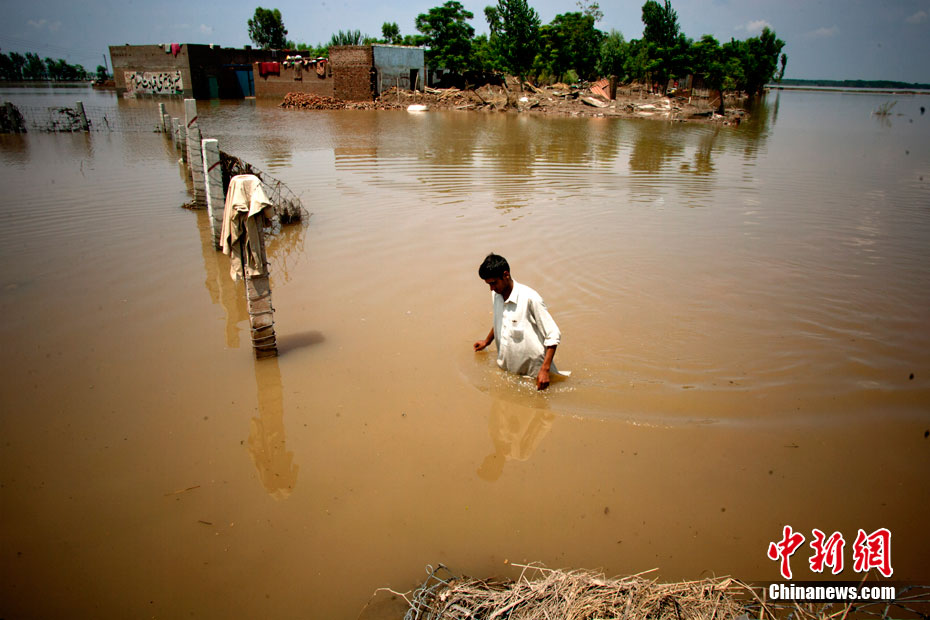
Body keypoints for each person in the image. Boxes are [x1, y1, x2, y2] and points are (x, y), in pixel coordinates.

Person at [473, 253, 563, 390]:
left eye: (493, 283)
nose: (491, 288)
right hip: (509, 371)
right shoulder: (496, 294)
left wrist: (544, 370)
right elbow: (501, 319)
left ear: (506, 275)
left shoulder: (530, 298)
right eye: (488, 284)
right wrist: (487, 341)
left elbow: (553, 333)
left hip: (535, 377)